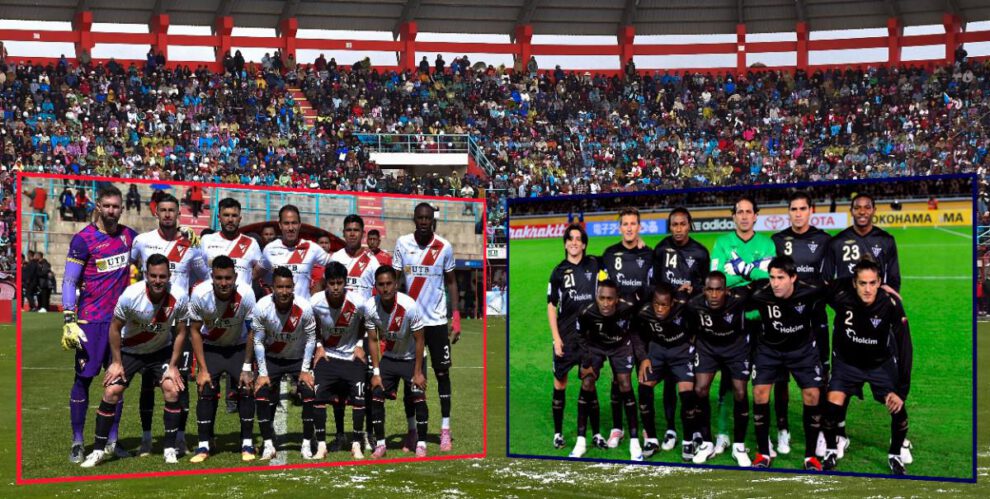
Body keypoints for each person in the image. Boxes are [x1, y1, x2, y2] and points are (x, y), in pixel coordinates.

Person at [79, 253, 189, 467]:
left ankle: (169, 448)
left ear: (169, 276)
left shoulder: (180, 296)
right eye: (154, 276)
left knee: (172, 389)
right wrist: (117, 362)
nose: (158, 281)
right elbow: (115, 327)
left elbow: (181, 332)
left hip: (160, 352)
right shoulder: (131, 294)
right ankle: (98, 451)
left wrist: (173, 366)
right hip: (130, 350)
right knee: (111, 391)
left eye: (163, 276)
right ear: (146, 275)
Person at [821, 192, 904, 460]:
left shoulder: (886, 240)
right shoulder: (837, 242)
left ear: (874, 210)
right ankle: (839, 434)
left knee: (890, 381)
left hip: (878, 318)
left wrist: (882, 300)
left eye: (867, 207)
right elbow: (827, 281)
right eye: (857, 208)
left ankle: (900, 439)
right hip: (848, 317)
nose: (862, 211)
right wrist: (846, 307)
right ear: (851, 210)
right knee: (841, 384)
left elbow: (894, 281)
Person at [62, 184, 137, 463]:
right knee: (83, 380)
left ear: (122, 208)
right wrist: (69, 318)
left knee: (117, 381)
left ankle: (111, 442)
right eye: (107, 206)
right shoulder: (83, 240)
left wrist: (183, 237)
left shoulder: (130, 237)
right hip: (90, 322)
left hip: (119, 324)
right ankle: (78, 442)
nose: (111, 211)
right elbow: (70, 280)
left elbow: (156, 251)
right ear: (97, 206)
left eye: (116, 206)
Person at [131, 193, 209, 457]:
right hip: (148, 322)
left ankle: (178, 438)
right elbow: (129, 269)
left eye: (171, 211)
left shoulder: (190, 244)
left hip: (179, 323)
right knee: (146, 383)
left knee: (179, 382)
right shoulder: (142, 242)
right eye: (163, 210)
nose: (167, 215)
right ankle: (146, 437)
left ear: (178, 214)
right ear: (157, 213)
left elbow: (205, 277)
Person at [821, 260, 912, 475]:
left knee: (898, 409)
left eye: (873, 283)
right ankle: (832, 450)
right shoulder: (840, 295)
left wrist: (902, 390)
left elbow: (905, 345)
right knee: (831, 407)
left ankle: (895, 455)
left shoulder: (890, 303)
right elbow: (817, 287)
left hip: (879, 365)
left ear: (880, 282)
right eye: (862, 283)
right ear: (854, 283)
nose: (868, 289)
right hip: (846, 364)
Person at [742, 256, 826, 470]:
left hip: (802, 350)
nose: (775, 283)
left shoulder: (810, 289)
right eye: (772, 277)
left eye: (781, 277)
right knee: (760, 392)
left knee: (813, 394)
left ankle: (810, 456)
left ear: (793, 278)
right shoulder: (760, 292)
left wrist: (883, 289)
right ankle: (763, 453)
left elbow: (841, 287)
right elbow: (731, 294)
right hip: (769, 350)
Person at [709, 195, 775, 458]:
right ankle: (724, 435)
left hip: (759, 322)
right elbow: (719, 279)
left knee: (763, 379)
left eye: (749, 212)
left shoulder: (767, 243)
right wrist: (753, 270)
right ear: (733, 216)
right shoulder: (722, 242)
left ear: (756, 216)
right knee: (728, 381)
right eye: (740, 212)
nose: (745, 216)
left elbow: (768, 278)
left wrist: (736, 268)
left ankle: (763, 436)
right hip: (730, 322)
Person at [392, 203, 459, 451]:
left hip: (438, 322)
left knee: (442, 375)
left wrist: (456, 316)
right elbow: (396, 281)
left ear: (432, 220)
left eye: (427, 218)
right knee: (413, 377)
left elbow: (452, 282)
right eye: (419, 218)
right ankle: (412, 431)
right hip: (412, 323)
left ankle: (444, 429)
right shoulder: (402, 244)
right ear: (414, 219)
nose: (423, 222)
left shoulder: (444, 247)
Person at [770, 191, 831, 456]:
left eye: (802, 208)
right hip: (783, 321)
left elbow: (828, 281)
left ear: (811, 210)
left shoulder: (824, 241)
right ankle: (782, 429)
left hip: (815, 319)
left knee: (819, 379)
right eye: (793, 209)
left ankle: (818, 432)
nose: (797, 213)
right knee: (780, 380)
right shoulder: (777, 240)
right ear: (789, 212)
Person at [185, 255, 258, 463]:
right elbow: (195, 331)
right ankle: (204, 444)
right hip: (211, 348)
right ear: (212, 277)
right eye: (219, 278)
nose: (224, 283)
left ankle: (247, 442)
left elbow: (253, 330)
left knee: (246, 389)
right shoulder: (200, 294)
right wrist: (202, 369)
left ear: (235, 277)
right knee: (205, 389)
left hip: (238, 347)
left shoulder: (246, 293)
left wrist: (246, 366)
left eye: (228, 278)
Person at [242, 267, 318, 460]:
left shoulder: (305, 308)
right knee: (261, 394)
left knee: (309, 393)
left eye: (288, 287)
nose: (284, 292)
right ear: (272, 288)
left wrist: (305, 370)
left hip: (297, 359)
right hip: (273, 358)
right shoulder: (261, 307)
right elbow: (258, 340)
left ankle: (307, 443)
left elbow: (311, 339)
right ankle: (268, 444)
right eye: (279, 287)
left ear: (293, 287)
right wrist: (263, 373)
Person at [649, 207, 708, 452]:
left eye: (683, 224)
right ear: (669, 226)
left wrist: (693, 287)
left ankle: (692, 429)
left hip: (690, 324)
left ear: (689, 225)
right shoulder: (661, 250)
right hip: (665, 324)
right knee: (671, 380)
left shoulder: (701, 252)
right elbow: (654, 285)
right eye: (674, 225)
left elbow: (708, 288)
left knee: (689, 380)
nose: (679, 229)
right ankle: (672, 428)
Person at [599, 207, 653, 449]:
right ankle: (617, 428)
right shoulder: (609, 254)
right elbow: (601, 287)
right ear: (619, 227)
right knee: (617, 379)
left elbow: (654, 289)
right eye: (626, 224)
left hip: (642, 325)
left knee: (643, 379)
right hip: (616, 326)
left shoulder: (649, 254)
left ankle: (645, 427)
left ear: (639, 227)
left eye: (634, 224)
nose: (630, 228)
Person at [688, 271, 753, 466]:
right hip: (708, 349)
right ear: (704, 290)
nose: (714, 295)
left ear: (726, 290)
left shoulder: (739, 298)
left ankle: (739, 447)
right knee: (699, 389)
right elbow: (692, 327)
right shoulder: (694, 304)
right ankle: (707, 444)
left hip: (736, 349)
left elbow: (761, 285)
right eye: (710, 290)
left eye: (718, 290)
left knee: (740, 393)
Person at [570, 279, 641, 460]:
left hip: (620, 346)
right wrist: (586, 362)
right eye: (602, 298)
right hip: (595, 346)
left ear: (617, 299)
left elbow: (638, 325)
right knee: (587, 383)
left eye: (610, 299)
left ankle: (635, 443)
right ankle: (580, 442)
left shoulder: (629, 306)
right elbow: (579, 336)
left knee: (625, 384)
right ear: (596, 297)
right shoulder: (586, 312)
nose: (606, 303)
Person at [631, 283, 699, 461]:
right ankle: (652, 440)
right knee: (644, 388)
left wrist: (692, 344)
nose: (660, 309)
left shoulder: (685, 309)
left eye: (664, 305)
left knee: (687, 395)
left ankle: (688, 441)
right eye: (656, 304)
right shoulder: (644, 311)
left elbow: (697, 325)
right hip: (657, 353)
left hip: (681, 354)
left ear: (673, 303)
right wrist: (643, 357)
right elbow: (636, 333)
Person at [364, 266, 427, 458]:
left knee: (417, 396)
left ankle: (420, 442)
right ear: (375, 286)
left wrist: (417, 373)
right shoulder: (370, 307)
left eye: (389, 284)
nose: (385, 288)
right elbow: (373, 341)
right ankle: (381, 444)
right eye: (381, 284)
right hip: (390, 357)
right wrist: (376, 373)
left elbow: (420, 340)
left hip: (412, 358)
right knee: (375, 393)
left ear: (396, 284)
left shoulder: (410, 306)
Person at [547, 224, 600, 450]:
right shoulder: (558, 271)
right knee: (560, 383)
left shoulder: (596, 264)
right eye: (570, 238)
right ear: (565, 243)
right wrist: (556, 338)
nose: (574, 242)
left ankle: (596, 434)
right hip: (566, 335)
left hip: (590, 336)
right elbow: (551, 305)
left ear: (585, 244)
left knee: (590, 381)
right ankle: (558, 433)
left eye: (578, 239)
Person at [309, 262, 369, 459]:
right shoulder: (315, 301)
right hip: (328, 356)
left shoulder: (358, 302)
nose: (335, 287)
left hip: (352, 357)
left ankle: (356, 444)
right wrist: (319, 346)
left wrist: (360, 343)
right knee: (318, 400)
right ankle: (321, 446)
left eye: (339, 283)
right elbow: (312, 326)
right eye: (332, 283)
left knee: (359, 401)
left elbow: (365, 323)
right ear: (326, 283)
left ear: (345, 283)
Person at [330, 215, 379, 451]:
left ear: (362, 233)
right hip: (339, 333)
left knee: (366, 387)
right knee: (338, 388)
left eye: (356, 230)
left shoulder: (372, 262)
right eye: (348, 229)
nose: (352, 233)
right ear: (343, 232)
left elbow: (377, 296)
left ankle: (367, 433)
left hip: (363, 333)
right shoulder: (336, 258)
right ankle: (340, 434)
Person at [259, 205, 332, 302]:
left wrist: (320, 284)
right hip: (278, 312)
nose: (290, 228)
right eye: (286, 223)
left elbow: (336, 265)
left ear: (299, 225)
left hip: (303, 312)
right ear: (280, 225)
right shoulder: (269, 249)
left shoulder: (311, 248)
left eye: (294, 223)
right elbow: (254, 275)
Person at [200, 197, 264, 289]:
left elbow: (259, 272)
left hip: (242, 301)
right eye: (226, 215)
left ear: (240, 218)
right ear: (219, 217)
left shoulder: (251, 243)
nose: (230, 220)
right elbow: (199, 271)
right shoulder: (206, 240)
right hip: (212, 301)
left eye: (234, 216)